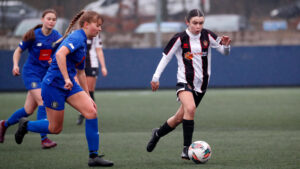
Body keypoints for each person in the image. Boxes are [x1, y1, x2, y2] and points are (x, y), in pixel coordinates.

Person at [14, 10, 114, 167]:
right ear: (86, 24)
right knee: (55, 129)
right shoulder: (77, 37)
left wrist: (88, 97)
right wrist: (67, 78)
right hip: (54, 85)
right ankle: (26, 125)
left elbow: (81, 73)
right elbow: (60, 54)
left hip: (69, 86)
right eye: (98, 25)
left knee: (91, 111)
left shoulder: (84, 42)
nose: (100, 29)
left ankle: (93, 157)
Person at [146, 9, 231, 160]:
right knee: (190, 108)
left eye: (201, 23)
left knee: (179, 118)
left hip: (202, 85)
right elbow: (166, 58)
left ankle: (157, 133)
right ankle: (186, 149)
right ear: (187, 22)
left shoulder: (208, 35)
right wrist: (155, 77)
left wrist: (226, 46)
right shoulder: (180, 38)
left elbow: (224, 52)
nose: (198, 26)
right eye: (195, 23)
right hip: (184, 81)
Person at [0, 9, 61, 149]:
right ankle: (44, 139)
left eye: (54, 19)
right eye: (49, 18)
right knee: (42, 101)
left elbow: (58, 55)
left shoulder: (56, 36)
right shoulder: (33, 35)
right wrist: (15, 65)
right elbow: (18, 50)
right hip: (31, 74)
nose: (51, 21)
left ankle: (4, 124)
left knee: (28, 110)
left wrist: (53, 60)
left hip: (44, 76)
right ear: (42, 20)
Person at [77, 33, 108, 125]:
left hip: (91, 64)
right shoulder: (75, 33)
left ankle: (91, 113)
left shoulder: (96, 34)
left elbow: (99, 50)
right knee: (81, 91)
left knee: (89, 91)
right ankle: (82, 112)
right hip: (78, 65)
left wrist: (103, 66)